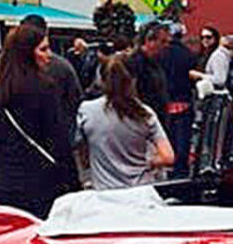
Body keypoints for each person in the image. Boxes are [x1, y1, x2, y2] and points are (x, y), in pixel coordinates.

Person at [0, 21, 79, 218]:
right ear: (27, 52)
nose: (49, 55)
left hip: (7, 182)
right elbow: (57, 140)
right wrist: (72, 183)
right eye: (43, 49)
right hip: (41, 180)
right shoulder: (44, 88)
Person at [75, 54, 175, 190]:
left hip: (104, 193)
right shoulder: (145, 114)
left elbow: (81, 149)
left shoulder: (86, 110)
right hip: (140, 191)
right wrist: (149, 162)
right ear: (134, 80)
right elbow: (168, 157)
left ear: (102, 80)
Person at [21, 14, 81, 144]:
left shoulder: (7, 71)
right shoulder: (62, 66)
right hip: (58, 136)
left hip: (25, 140)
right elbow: (75, 101)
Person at [160, 24, 198, 175]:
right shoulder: (188, 54)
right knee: (183, 139)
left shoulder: (161, 54)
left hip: (166, 101)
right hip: (184, 101)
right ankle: (181, 169)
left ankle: (170, 165)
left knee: (169, 137)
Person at [127, 21, 170, 122]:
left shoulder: (157, 63)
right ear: (149, 41)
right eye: (163, 41)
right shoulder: (134, 63)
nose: (167, 45)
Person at [196, 24, 231, 91]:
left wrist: (199, 75)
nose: (205, 40)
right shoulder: (208, 54)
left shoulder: (218, 56)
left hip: (217, 96)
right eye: (202, 37)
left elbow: (220, 80)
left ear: (215, 38)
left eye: (208, 37)